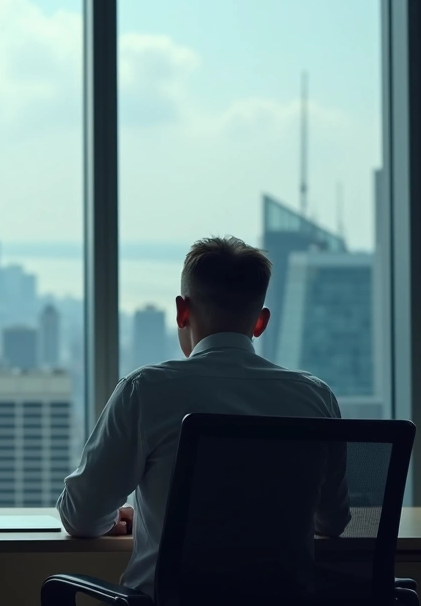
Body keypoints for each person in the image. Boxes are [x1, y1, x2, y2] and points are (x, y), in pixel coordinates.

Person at [56, 235, 350, 598]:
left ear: (182, 311)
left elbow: (80, 517)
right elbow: (333, 522)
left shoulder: (146, 391)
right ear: (260, 323)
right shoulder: (315, 398)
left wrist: (121, 515)